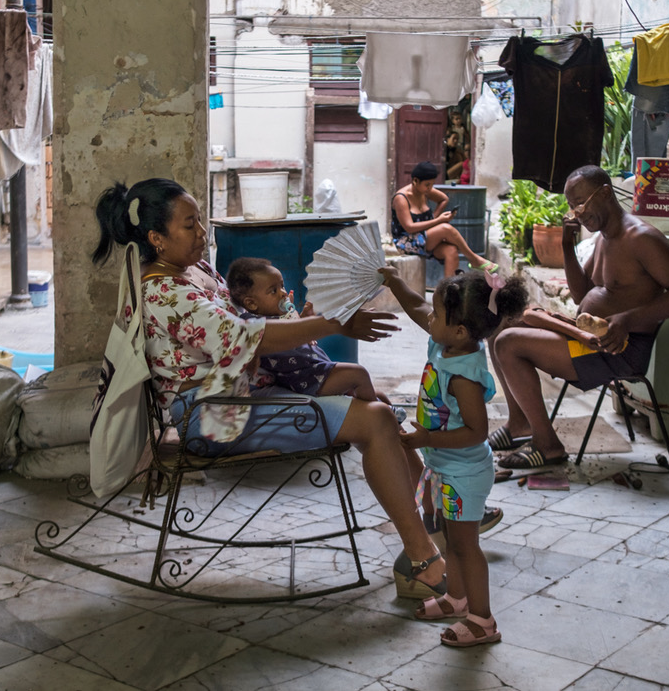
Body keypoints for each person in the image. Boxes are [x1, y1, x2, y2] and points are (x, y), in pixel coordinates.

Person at [92, 178, 447, 599]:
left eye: (201, 221)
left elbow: (256, 327)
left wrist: (318, 318)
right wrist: (336, 323)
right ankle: (423, 558)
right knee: (376, 420)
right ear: (157, 238)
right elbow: (247, 335)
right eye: (190, 225)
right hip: (213, 416)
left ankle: (436, 512)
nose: (202, 233)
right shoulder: (164, 292)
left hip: (243, 394)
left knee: (378, 403)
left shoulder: (193, 272)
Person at [487, 165, 669, 469]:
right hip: (588, 339)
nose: (576, 213)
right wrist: (566, 246)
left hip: (618, 349)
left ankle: (547, 446)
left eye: (581, 203)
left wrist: (626, 320)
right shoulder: (603, 237)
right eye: (571, 206)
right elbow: (581, 294)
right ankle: (519, 424)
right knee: (500, 326)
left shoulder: (641, 238)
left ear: (606, 193)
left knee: (508, 343)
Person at [380, 264, 527, 647]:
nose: (429, 318)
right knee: (451, 538)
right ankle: (457, 599)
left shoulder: (464, 376)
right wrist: (395, 281)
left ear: (459, 330)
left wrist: (426, 436)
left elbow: (477, 432)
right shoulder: (446, 342)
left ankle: (482, 619)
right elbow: (416, 307)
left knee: (465, 546)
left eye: (436, 315)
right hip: (448, 468)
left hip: (465, 473)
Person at [225, 256, 385, 403]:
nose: (283, 293)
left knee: (380, 395)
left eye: (282, 286)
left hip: (320, 368)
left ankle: (394, 424)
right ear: (251, 304)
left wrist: (304, 319)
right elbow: (278, 339)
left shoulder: (281, 315)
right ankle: (377, 414)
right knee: (358, 374)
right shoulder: (252, 323)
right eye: (273, 291)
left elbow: (293, 336)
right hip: (306, 380)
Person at [391, 161, 495, 275]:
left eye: (432, 184)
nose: (430, 188)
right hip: (407, 242)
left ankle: (448, 290)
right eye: (427, 185)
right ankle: (474, 259)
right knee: (445, 228)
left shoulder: (425, 191)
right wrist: (437, 221)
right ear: (415, 181)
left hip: (425, 237)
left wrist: (434, 218)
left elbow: (444, 199)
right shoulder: (401, 198)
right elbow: (409, 227)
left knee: (451, 251)